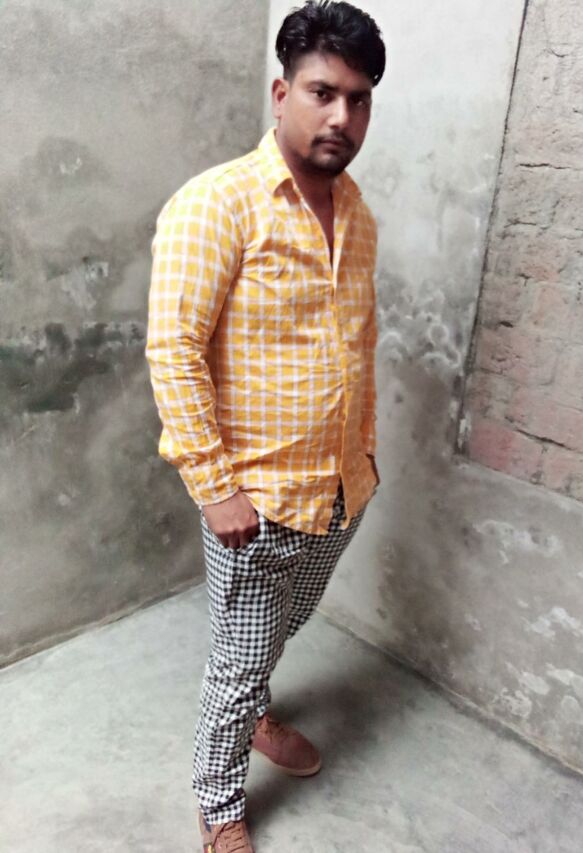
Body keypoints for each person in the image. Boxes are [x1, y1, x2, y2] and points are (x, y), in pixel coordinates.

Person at [146, 2, 386, 850]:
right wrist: (216, 489)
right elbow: (173, 350)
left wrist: (362, 460)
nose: (341, 115)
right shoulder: (217, 203)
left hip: (339, 489)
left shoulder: (356, 214)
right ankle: (219, 807)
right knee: (240, 657)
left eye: (358, 98)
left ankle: (253, 713)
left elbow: (355, 345)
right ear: (282, 94)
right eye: (323, 92)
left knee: (283, 627)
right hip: (254, 503)